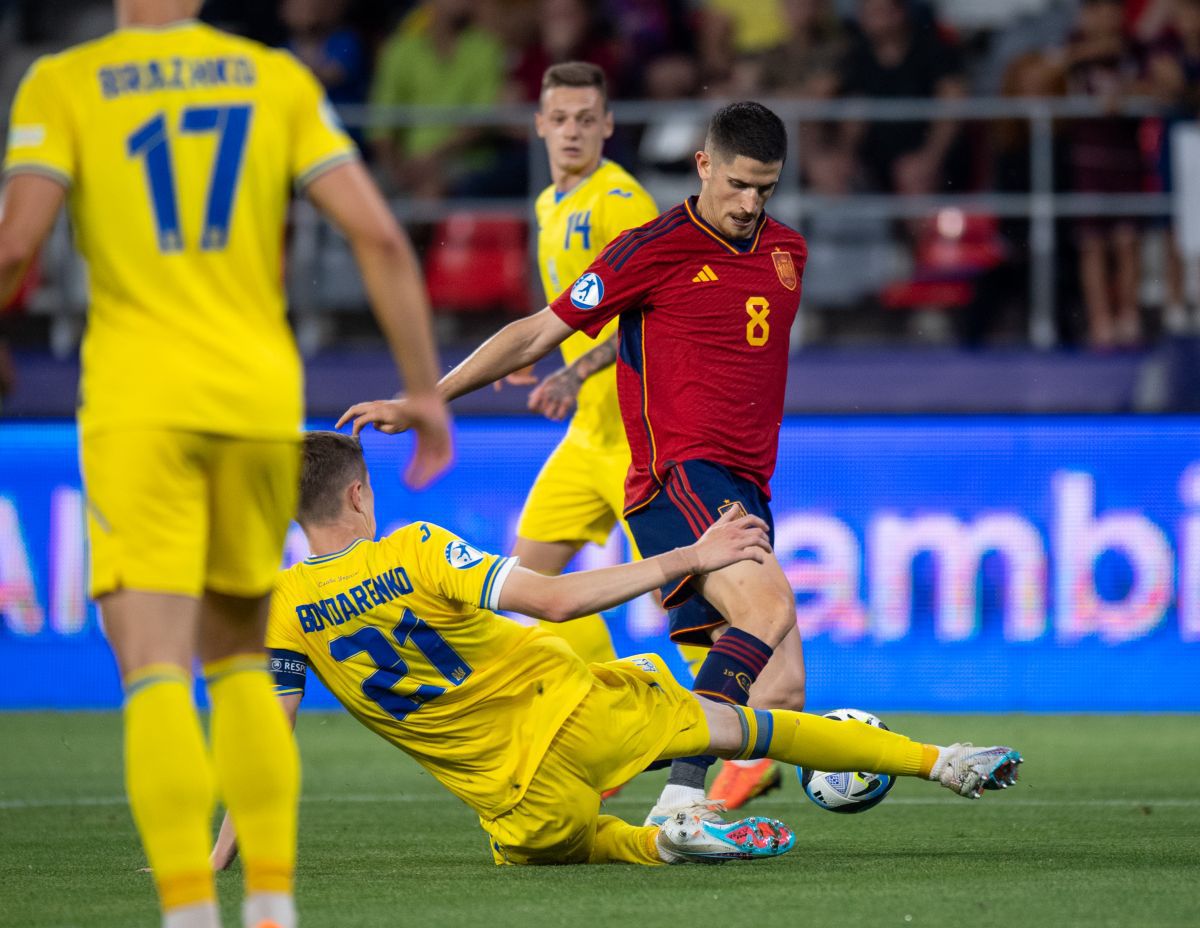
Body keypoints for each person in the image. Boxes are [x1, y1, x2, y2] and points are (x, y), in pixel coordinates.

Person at [0, 3, 453, 927]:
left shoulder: (62, 82)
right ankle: (274, 904)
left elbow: (15, 248)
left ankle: (189, 911)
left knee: (157, 668)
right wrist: (425, 394)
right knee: (244, 658)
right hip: (253, 398)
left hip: (137, 402)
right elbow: (378, 239)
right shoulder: (275, 78)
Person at [213, 432, 1022, 868]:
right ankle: (939, 762)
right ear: (359, 494)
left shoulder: (281, 611)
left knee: (571, 842)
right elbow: (558, 597)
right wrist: (688, 557)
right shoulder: (414, 548)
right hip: (581, 726)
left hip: (518, 815)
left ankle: (655, 844)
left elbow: (265, 737)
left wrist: (222, 852)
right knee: (736, 724)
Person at [338, 101, 817, 823]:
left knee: (780, 690)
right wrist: (427, 401)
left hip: (746, 485)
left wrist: (588, 366)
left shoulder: (789, 252)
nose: (750, 204)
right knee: (768, 606)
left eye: (766, 190)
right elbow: (535, 332)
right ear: (704, 165)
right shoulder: (650, 246)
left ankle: (616, 742)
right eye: (739, 185)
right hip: (681, 476)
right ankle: (679, 805)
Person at [509, 61, 658, 667]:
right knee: (526, 585)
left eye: (587, 120)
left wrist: (574, 371)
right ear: (541, 125)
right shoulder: (550, 203)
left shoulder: (621, 202)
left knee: (692, 594)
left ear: (608, 126)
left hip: (636, 435)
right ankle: (618, 698)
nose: (573, 131)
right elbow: (574, 301)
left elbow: (651, 314)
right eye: (562, 119)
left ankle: (743, 736)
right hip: (587, 435)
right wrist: (541, 353)